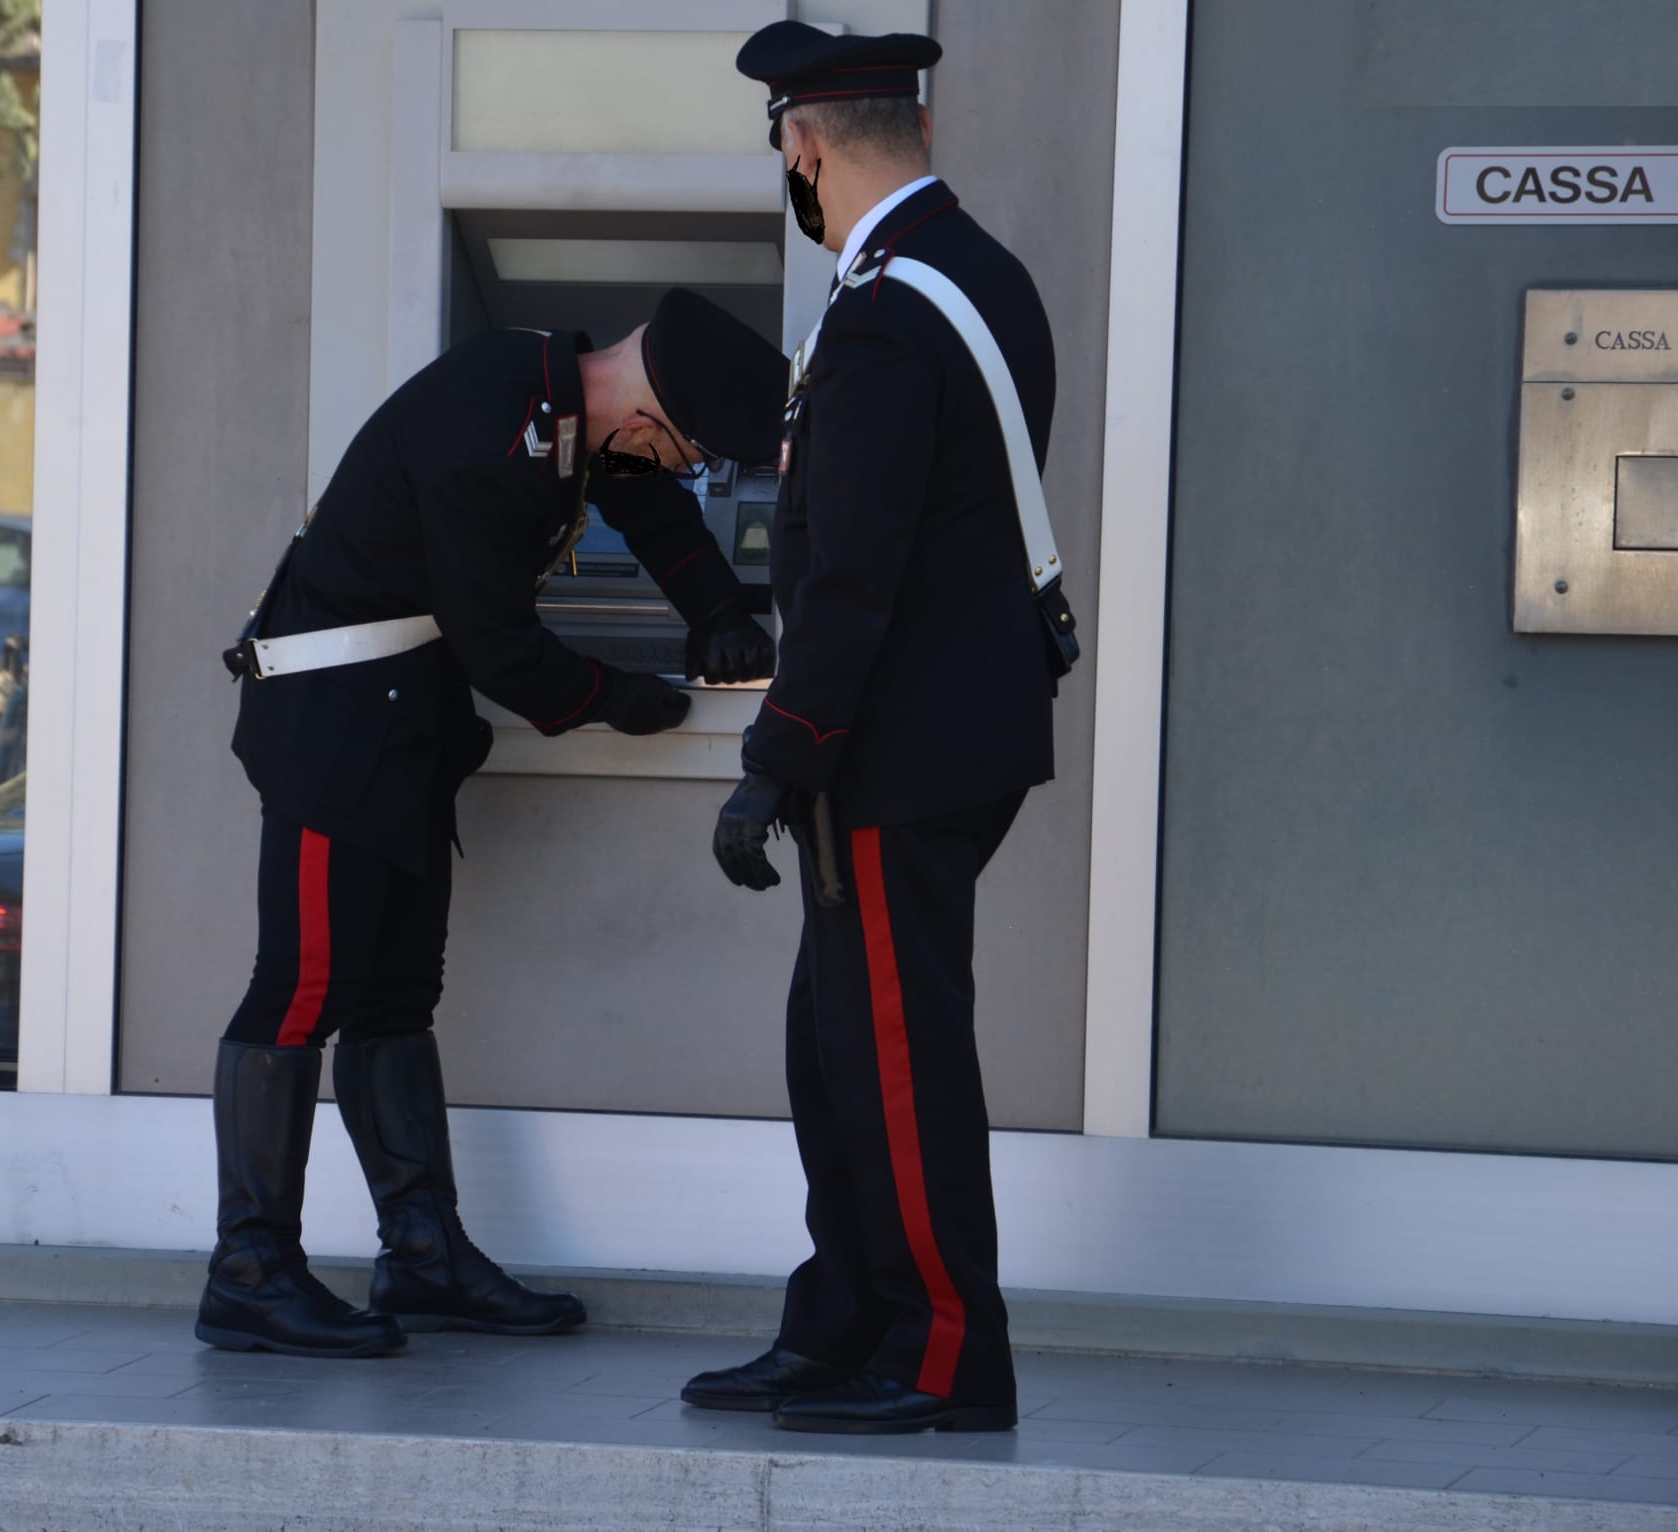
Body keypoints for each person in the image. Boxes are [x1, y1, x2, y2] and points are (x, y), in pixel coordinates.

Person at [200, 289, 787, 1359]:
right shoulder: (492, 432)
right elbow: (495, 642)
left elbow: (642, 499)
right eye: (684, 449)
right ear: (650, 418)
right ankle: (246, 1269)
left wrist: (715, 606)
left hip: (403, 728)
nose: (678, 468)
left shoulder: (560, 398)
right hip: (330, 728)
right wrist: (614, 694)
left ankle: (421, 1251)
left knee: (393, 994)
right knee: (299, 987)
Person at [687, 22, 1062, 1434]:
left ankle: (946, 1355)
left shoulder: (888, 308)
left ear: (805, 144)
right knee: (840, 1042)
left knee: (895, 1056)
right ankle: (843, 1323)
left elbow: (856, 566)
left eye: (788, 149)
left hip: (895, 752)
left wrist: (776, 756)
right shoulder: (977, 275)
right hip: (940, 732)